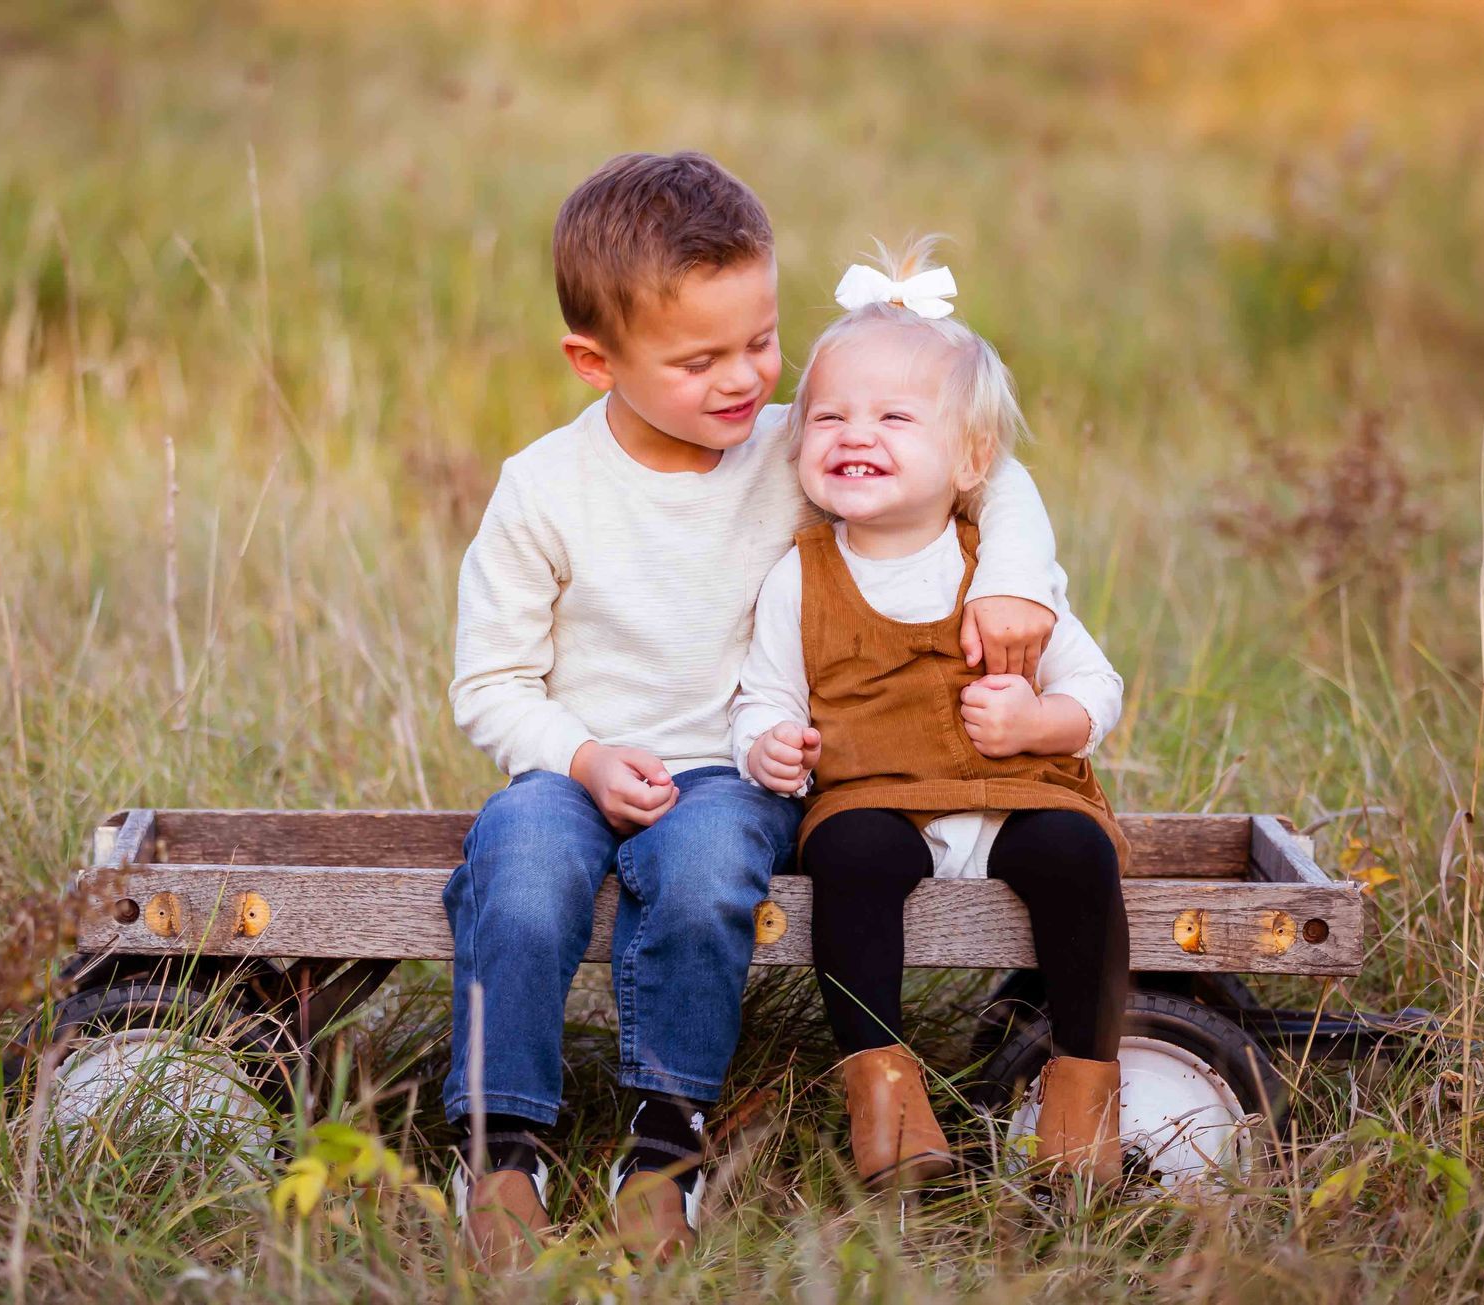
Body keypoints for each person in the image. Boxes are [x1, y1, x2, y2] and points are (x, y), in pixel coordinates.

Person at [446, 155, 1067, 1268]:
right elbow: (490, 686)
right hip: (571, 768)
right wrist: (581, 759)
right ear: (595, 363)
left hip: (742, 768)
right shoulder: (542, 489)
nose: (743, 379)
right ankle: (502, 1148)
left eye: (762, 341)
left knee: (701, 875)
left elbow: (985, 462)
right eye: (699, 361)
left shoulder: (791, 443)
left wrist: (1015, 574)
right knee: (523, 868)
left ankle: (663, 1148)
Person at [732, 237, 1132, 1206]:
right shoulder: (802, 574)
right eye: (828, 416)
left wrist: (1039, 722)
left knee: (1078, 857)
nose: (852, 434)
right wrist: (770, 747)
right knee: (851, 858)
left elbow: (1099, 691)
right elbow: (767, 691)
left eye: (892, 417)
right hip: (879, 798)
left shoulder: (1003, 576)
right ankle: (889, 1099)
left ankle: (1082, 1100)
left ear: (969, 459)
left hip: (1016, 793)